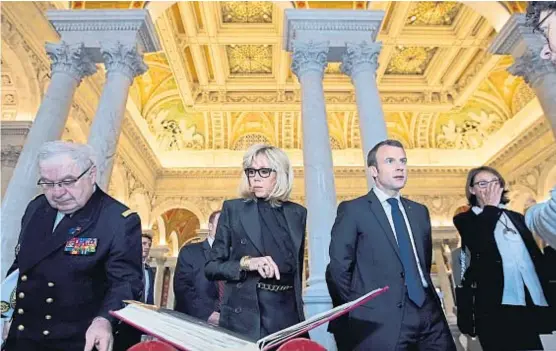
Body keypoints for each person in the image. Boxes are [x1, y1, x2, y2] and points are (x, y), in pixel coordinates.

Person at [3, 141, 143, 351]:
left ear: (92, 174)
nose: (57, 192)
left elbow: (125, 283)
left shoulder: (118, 220)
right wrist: (7, 311)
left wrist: (104, 320)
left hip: (75, 340)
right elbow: (21, 265)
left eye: (67, 181)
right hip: (23, 336)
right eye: (48, 183)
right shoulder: (36, 207)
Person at [328, 139, 455, 351]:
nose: (399, 167)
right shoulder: (354, 210)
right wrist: (362, 310)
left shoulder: (419, 212)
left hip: (429, 313)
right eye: (390, 161)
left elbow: (421, 261)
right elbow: (339, 268)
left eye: (403, 161)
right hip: (380, 320)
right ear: (373, 171)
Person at [205, 144, 307, 340]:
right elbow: (211, 267)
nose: (256, 177)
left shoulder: (298, 213)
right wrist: (248, 263)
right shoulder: (234, 209)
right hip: (247, 314)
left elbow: (296, 271)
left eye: (264, 171)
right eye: (251, 171)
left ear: (280, 174)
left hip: (287, 316)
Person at [453, 166, 555, 350]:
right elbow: (478, 245)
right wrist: (490, 207)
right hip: (494, 305)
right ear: (472, 190)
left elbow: (532, 255)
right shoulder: (465, 219)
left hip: (528, 300)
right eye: (482, 184)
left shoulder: (516, 217)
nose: (489, 188)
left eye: (494, 183)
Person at [174, 210, 221, 325]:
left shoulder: (234, 256)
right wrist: (207, 314)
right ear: (210, 226)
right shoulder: (190, 252)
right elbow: (183, 288)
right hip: (194, 322)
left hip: (227, 327)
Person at [142, 233, 155, 304]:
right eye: (144, 243)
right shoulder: (127, 266)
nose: (147, 247)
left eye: (149, 245)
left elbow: (150, 294)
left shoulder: (149, 270)